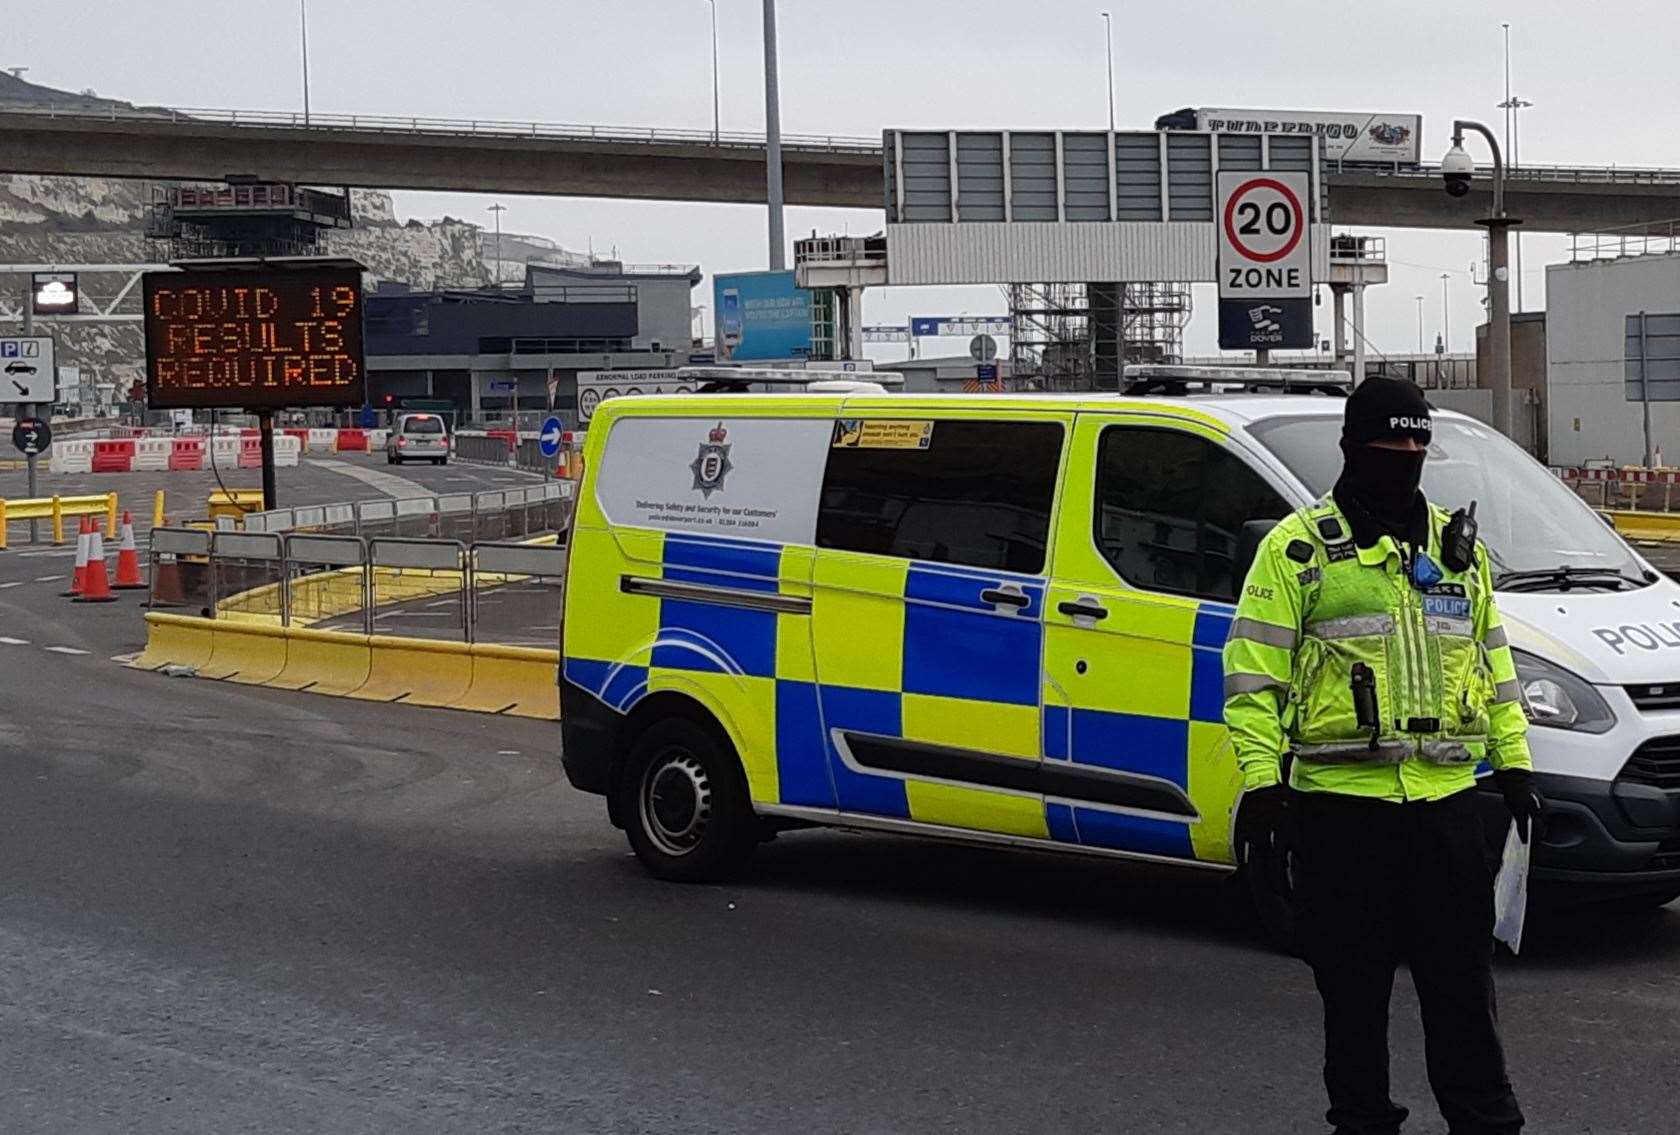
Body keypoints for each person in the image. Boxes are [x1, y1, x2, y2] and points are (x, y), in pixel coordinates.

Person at [1223, 377, 1544, 1135]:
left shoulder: (1458, 554)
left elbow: (1494, 668)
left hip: (1445, 807)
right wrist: (1264, 787)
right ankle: (1363, 1123)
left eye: (1416, 445)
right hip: (1342, 809)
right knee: (1355, 994)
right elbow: (1251, 680)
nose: (1405, 458)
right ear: (1352, 448)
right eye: (1388, 445)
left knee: (1463, 989)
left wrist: (1517, 762)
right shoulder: (1298, 551)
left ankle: (1487, 1121)